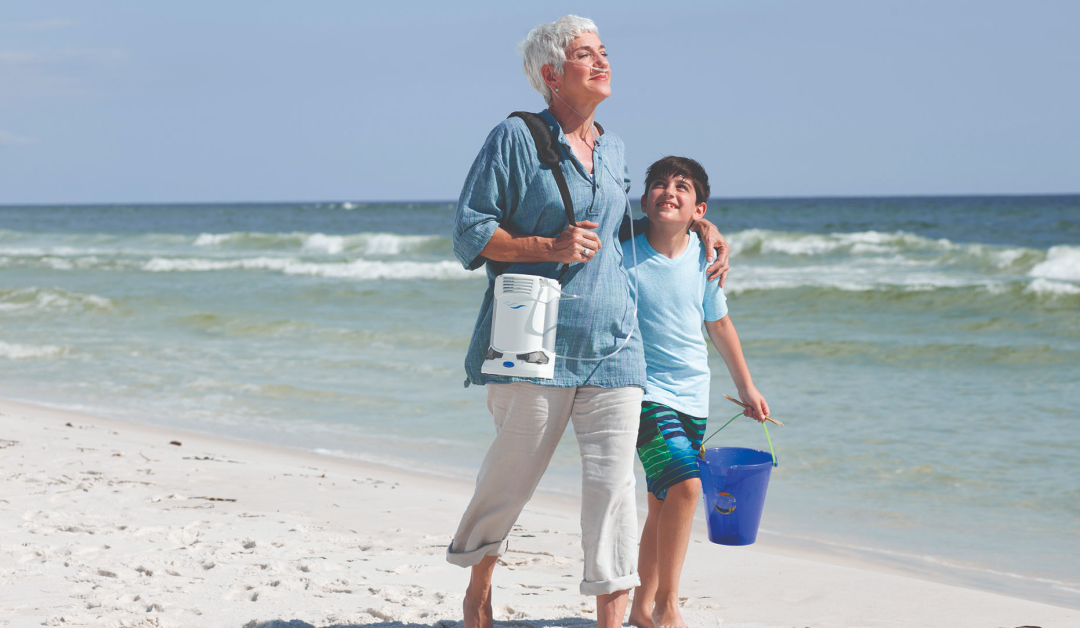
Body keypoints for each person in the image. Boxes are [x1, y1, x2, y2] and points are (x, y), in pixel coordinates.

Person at [448, 16, 731, 628]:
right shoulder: (514, 139)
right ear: (552, 75)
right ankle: (478, 587)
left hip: (617, 347)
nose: (602, 62)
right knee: (510, 481)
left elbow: (626, 228)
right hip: (533, 340)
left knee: (614, 493)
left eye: (604, 52)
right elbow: (470, 231)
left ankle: (613, 620)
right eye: (585, 55)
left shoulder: (616, 146)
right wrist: (543, 247)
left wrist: (701, 226)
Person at [622, 156, 769, 628]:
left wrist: (746, 386)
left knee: (663, 504)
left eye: (681, 187)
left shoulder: (705, 259)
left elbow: (719, 324)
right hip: (644, 393)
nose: (669, 191)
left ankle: (641, 609)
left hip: (693, 395)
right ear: (644, 201)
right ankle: (668, 604)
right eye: (660, 185)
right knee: (687, 488)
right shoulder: (622, 251)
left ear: (698, 208)